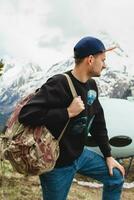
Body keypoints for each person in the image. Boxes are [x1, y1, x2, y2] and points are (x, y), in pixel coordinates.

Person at [18, 36, 125, 200]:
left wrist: (108, 156)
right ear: (90, 59)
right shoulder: (59, 84)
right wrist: (66, 112)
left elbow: (98, 122)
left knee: (116, 176)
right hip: (57, 164)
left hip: (80, 155)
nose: (105, 65)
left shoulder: (91, 85)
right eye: (103, 60)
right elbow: (26, 114)